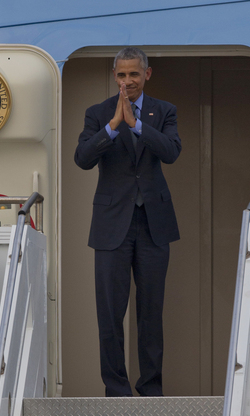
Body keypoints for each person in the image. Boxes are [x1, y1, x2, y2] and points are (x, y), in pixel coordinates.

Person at [75, 47, 181, 397]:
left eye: (133, 74)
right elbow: (83, 158)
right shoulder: (98, 113)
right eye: (121, 75)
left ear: (146, 74)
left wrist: (137, 125)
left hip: (153, 225)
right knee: (110, 314)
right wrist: (113, 126)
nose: (127, 82)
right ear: (114, 75)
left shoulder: (164, 111)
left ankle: (150, 390)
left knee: (151, 314)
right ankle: (116, 390)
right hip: (111, 225)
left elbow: (171, 151)